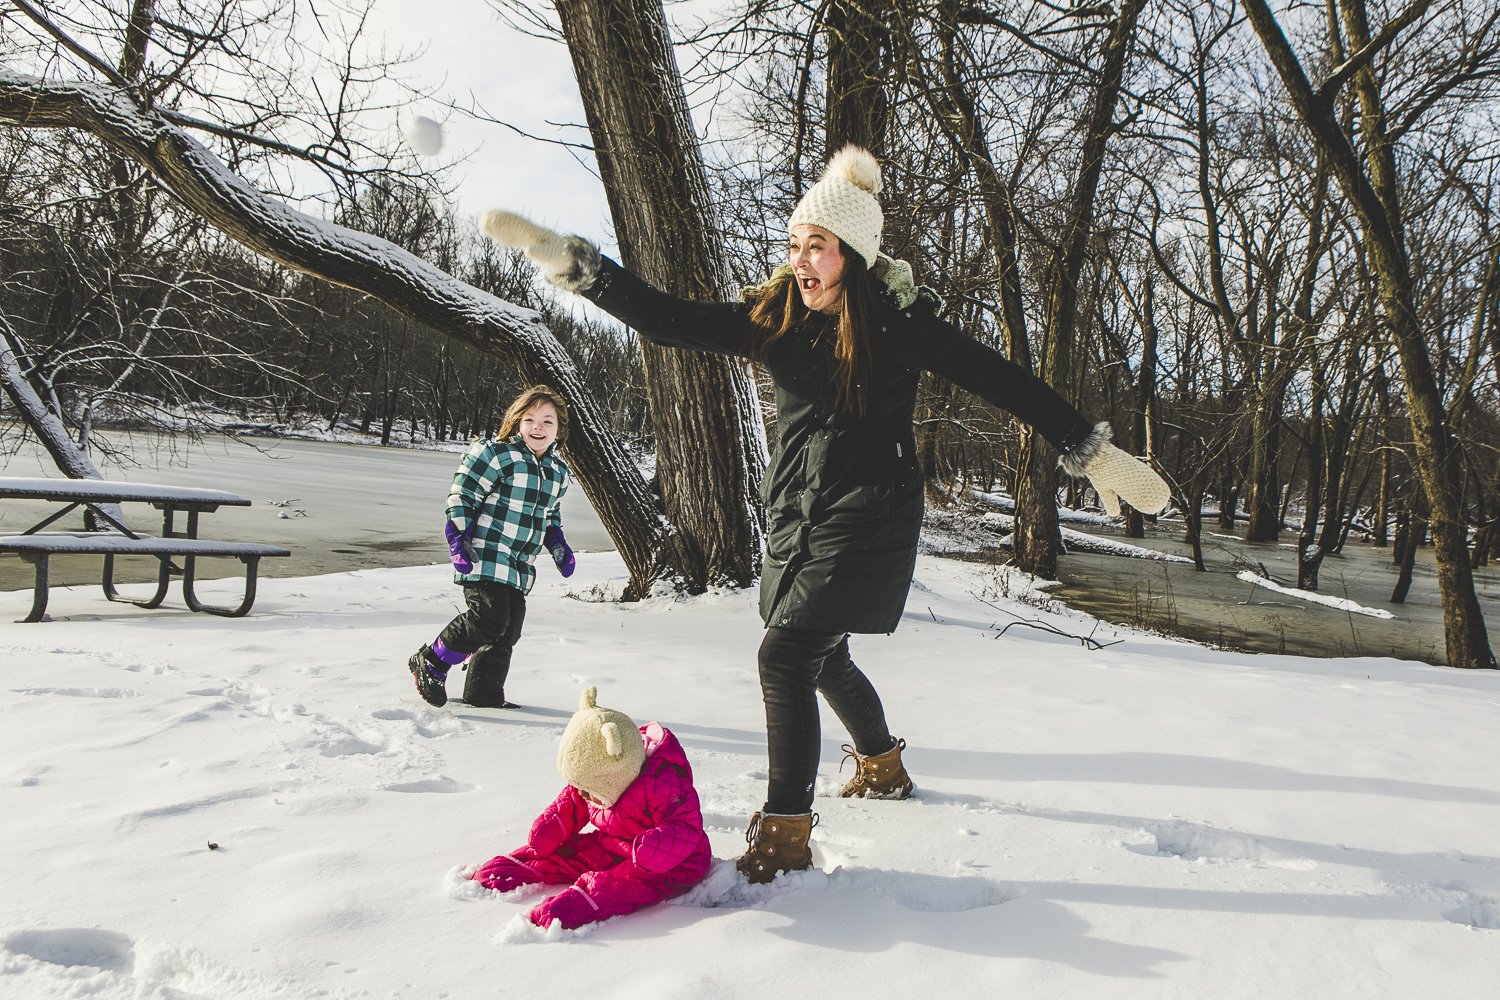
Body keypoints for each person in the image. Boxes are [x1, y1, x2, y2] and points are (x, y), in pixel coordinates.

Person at [479, 146, 1171, 882]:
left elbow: (1001, 379)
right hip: (800, 511)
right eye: (795, 245)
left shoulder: (900, 324)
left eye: (818, 247)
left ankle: (785, 834)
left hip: (871, 516)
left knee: (786, 655)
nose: (801, 261)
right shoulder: (775, 315)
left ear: (854, 257)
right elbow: (667, 321)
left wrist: (1088, 448)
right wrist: (583, 270)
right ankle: (883, 766)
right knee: (823, 654)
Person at [468, 687, 712, 930]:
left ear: (614, 775)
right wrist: (552, 828)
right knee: (572, 853)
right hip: (614, 844)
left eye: (587, 788)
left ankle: (576, 905)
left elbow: (685, 827)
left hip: (668, 865)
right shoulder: (597, 776)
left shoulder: (662, 783)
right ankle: (520, 868)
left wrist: (652, 849)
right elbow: (573, 802)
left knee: (614, 887)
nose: (583, 794)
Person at [408, 385, 576, 709]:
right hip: (484, 553)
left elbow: (549, 514)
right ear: (517, 421)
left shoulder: (558, 473)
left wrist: (557, 543)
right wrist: (458, 535)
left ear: (559, 430)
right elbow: (463, 494)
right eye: (530, 419)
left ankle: (483, 694)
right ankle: (432, 661)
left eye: (547, 421)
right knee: (489, 617)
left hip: (518, 563)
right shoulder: (498, 454)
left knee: (508, 630)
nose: (538, 427)